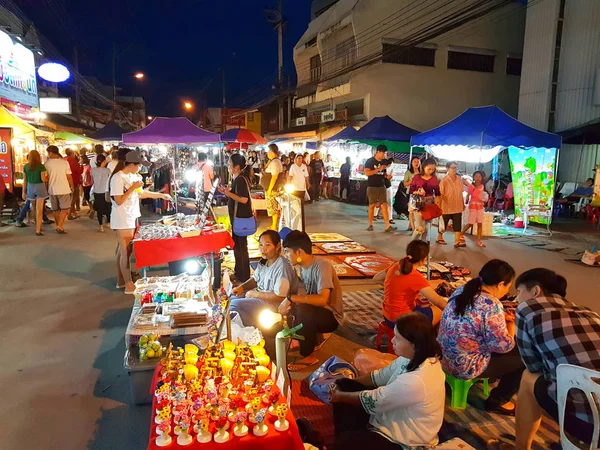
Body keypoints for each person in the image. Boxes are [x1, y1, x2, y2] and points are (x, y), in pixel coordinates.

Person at [490, 268, 600, 450]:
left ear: (535, 291)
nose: (516, 299)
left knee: (528, 377)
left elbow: (533, 365)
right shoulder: (590, 314)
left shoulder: (528, 308)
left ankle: (521, 447)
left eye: (519, 292)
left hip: (588, 423)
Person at [330, 312, 445, 449]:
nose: (392, 341)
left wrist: (340, 397)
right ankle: (354, 433)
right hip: (386, 417)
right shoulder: (410, 358)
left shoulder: (417, 380)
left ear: (414, 344)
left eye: (397, 338)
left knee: (345, 442)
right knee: (344, 385)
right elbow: (378, 377)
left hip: (402, 441)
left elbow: (375, 400)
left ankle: (351, 436)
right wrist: (347, 383)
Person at [438, 259, 523, 415]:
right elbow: (502, 346)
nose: (507, 291)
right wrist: (511, 325)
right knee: (524, 356)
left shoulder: (464, 290)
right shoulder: (492, 304)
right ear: (500, 284)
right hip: (464, 366)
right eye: (508, 287)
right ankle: (498, 401)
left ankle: (492, 377)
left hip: (443, 356)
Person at [110, 151, 171, 294]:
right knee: (126, 251)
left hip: (132, 216)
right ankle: (128, 284)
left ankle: (121, 280)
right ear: (131, 164)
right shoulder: (118, 178)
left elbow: (142, 194)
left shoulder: (134, 176)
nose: (141, 169)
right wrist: (132, 187)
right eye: (139, 165)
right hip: (122, 218)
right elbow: (118, 201)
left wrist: (161, 195)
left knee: (123, 250)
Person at [281, 230, 343, 371]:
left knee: (302, 309)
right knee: (290, 311)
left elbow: (322, 299)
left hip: (331, 316)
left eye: (287, 251)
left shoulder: (322, 265)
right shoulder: (302, 268)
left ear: (299, 252)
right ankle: (314, 338)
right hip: (318, 312)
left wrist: (290, 298)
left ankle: (308, 355)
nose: (285, 255)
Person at [230, 230, 299, 328]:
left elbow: (281, 296)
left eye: (267, 245)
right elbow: (255, 278)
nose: (263, 249)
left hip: (273, 305)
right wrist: (241, 287)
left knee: (235, 305)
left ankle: (256, 329)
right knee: (230, 299)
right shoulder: (264, 262)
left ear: (278, 246)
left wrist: (256, 294)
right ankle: (253, 328)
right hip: (260, 298)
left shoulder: (283, 266)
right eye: (261, 245)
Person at [378, 240, 448, 326]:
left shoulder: (397, 265)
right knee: (442, 310)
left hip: (387, 315)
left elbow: (376, 278)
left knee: (423, 304)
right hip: (402, 320)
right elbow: (439, 303)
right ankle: (426, 335)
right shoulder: (415, 277)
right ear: (424, 259)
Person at [219, 153, 253, 283]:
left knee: (241, 248)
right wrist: (228, 193)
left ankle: (244, 276)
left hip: (241, 219)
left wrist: (228, 193)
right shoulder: (236, 178)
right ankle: (239, 273)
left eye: (230, 164)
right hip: (237, 218)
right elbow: (236, 198)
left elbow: (243, 199)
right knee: (238, 247)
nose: (228, 166)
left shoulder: (240, 180)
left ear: (237, 167)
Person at [365, 145, 396, 232]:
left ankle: (387, 226)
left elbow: (383, 173)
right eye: (382, 153)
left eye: (384, 153)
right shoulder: (370, 161)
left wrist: (387, 176)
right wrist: (378, 169)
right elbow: (367, 173)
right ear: (377, 152)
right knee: (372, 205)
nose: (383, 155)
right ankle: (370, 224)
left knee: (384, 205)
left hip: (382, 186)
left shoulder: (384, 162)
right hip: (372, 186)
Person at [45, 146, 74, 234]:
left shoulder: (47, 164)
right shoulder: (64, 163)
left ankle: (59, 226)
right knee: (65, 209)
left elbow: (46, 178)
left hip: (52, 189)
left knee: (55, 209)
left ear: (50, 153)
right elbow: (69, 176)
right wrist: (72, 186)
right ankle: (60, 226)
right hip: (64, 188)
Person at [409, 158, 440, 238]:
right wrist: (418, 192)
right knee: (420, 228)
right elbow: (411, 191)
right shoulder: (417, 177)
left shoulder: (434, 178)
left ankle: (425, 247)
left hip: (429, 204)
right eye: (429, 169)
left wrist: (437, 204)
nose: (431, 171)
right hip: (419, 204)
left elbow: (437, 193)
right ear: (423, 167)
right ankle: (411, 247)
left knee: (427, 229)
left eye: (433, 169)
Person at [437, 161, 465, 248]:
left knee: (457, 223)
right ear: (447, 169)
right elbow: (441, 194)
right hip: (446, 206)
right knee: (444, 223)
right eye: (452, 168)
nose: (454, 170)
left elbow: (461, 193)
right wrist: (439, 206)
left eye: (455, 168)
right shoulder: (444, 181)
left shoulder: (459, 179)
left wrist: (463, 203)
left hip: (457, 205)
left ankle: (457, 241)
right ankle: (440, 237)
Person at [21, 150, 49, 236]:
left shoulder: (26, 167)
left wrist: (23, 192)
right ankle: (38, 229)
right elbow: (43, 179)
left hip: (30, 187)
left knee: (33, 208)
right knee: (39, 209)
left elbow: (25, 180)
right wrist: (47, 178)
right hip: (40, 187)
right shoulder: (41, 167)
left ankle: (37, 223)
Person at [462, 170, 488, 248]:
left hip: (480, 206)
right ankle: (461, 233)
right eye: (476, 176)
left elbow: (485, 195)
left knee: (480, 223)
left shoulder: (483, 186)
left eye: (479, 176)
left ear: (482, 177)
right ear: (473, 177)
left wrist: (484, 199)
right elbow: (468, 195)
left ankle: (479, 241)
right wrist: (466, 202)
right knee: (471, 223)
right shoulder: (471, 186)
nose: (477, 178)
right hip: (473, 206)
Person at [261, 144, 284, 230]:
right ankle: (274, 224)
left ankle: (274, 226)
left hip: (273, 189)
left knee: (273, 207)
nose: (267, 153)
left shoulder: (275, 162)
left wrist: (270, 189)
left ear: (271, 151)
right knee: (273, 207)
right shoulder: (272, 161)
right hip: (271, 188)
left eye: (268, 151)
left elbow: (274, 176)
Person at [91, 154, 111, 232]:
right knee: (108, 207)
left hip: (97, 191)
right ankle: (108, 222)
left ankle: (101, 225)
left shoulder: (93, 170)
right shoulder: (108, 170)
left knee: (99, 209)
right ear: (103, 161)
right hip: (106, 191)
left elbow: (93, 180)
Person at [402, 156, 421, 232]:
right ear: (411, 163)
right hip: (411, 193)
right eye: (414, 162)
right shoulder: (408, 172)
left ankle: (411, 225)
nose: (416, 163)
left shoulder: (422, 172)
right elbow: (404, 184)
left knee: (418, 211)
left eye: (418, 161)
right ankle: (413, 228)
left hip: (420, 194)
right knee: (411, 211)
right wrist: (412, 181)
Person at [65, 149, 83, 220]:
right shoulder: (73, 161)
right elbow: (79, 171)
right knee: (74, 197)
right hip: (74, 181)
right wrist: (81, 165)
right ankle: (70, 214)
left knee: (70, 198)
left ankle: (73, 212)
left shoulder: (65, 160)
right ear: (72, 153)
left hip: (66, 181)